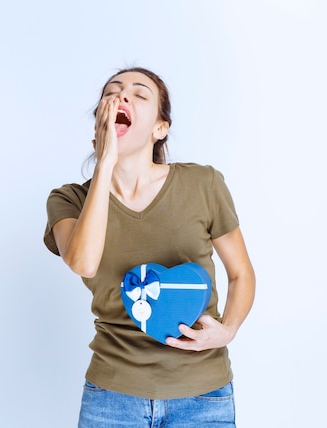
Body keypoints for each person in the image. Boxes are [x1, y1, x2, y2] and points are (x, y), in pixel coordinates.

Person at [43, 67, 255, 427]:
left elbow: (241, 274)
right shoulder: (68, 200)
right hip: (111, 398)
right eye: (112, 92)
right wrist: (106, 162)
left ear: (160, 129)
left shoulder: (203, 184)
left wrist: (228, 329)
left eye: (139, 94)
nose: (122, 96)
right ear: (98, 125)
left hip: (203, 396)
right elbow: (84, 263)